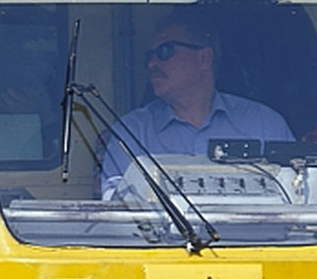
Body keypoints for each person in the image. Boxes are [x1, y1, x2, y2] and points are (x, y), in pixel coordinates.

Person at [97, 12, 294, 197]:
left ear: (204, 58)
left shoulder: (265, 125)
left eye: (164, 51)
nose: (152, 64)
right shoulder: (131, 132)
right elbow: (118, 213)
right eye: (149, 56)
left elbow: (299, 199)